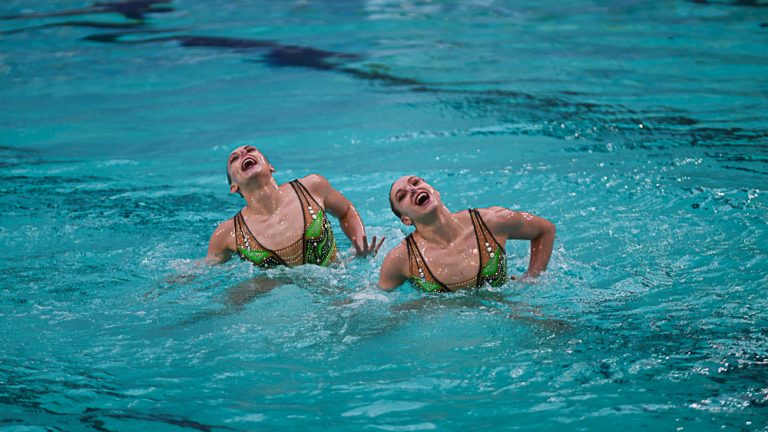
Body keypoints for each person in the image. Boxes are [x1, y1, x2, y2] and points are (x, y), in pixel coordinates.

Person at [206, 145, 383, 267]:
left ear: (271, 167)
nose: (244, 154)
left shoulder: (312, 187)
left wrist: (359, 241)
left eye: (250, 150)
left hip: (339, 289)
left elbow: (346, 211)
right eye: (234, 159)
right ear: (233, 187)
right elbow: (206, 271)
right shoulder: (228, 233)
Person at [378, 175, 555, 292]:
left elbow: (545, 230)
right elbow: (378, 300)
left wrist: (532, 277)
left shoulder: (489, 222)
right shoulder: (402, 259)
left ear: (435, 191)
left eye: (416, 183)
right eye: (402, 196)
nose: (413, 190)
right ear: (406, 220)